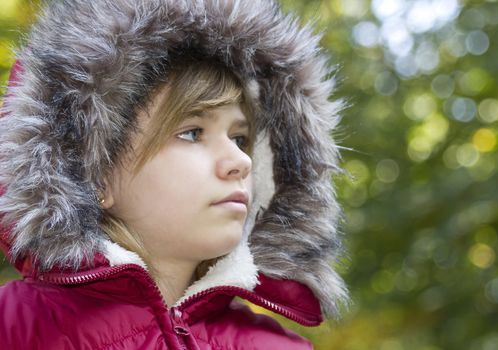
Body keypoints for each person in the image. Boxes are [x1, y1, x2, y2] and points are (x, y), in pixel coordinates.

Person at [0, 0, 348, 349]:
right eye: (193, 132)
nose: (240, 161)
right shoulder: (13, 327)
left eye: (240, 138)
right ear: (95, 174)